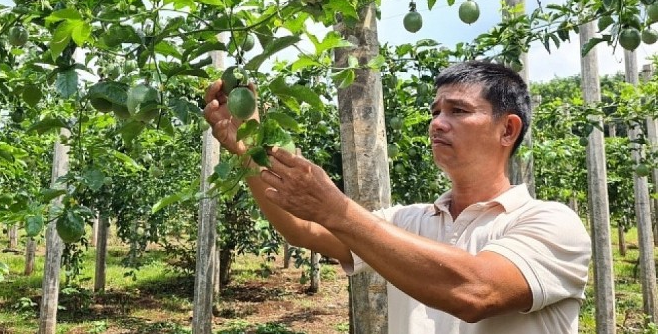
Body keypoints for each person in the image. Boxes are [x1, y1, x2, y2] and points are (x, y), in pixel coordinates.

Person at [203, 60, 591, 334]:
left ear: (508, 130)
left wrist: (337, 208)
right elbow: (304, 229)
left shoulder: (552, 223)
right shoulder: (409, 222)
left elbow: (476, 291)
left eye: (458, 110)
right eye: (436, 110)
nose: (437, 122)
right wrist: (248, 150)